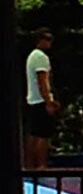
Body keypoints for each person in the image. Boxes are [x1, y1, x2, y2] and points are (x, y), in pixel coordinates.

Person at [23, 29, 57, 171]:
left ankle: (30, 165)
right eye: (47, 39)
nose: (50, 42)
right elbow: (42, 80)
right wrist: (48, 101)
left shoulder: (31, 56)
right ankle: (41, 165)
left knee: (34, 133)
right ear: (40, 40)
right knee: (43, 134)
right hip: (40, 100)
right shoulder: (40, 57)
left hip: (32, 99)